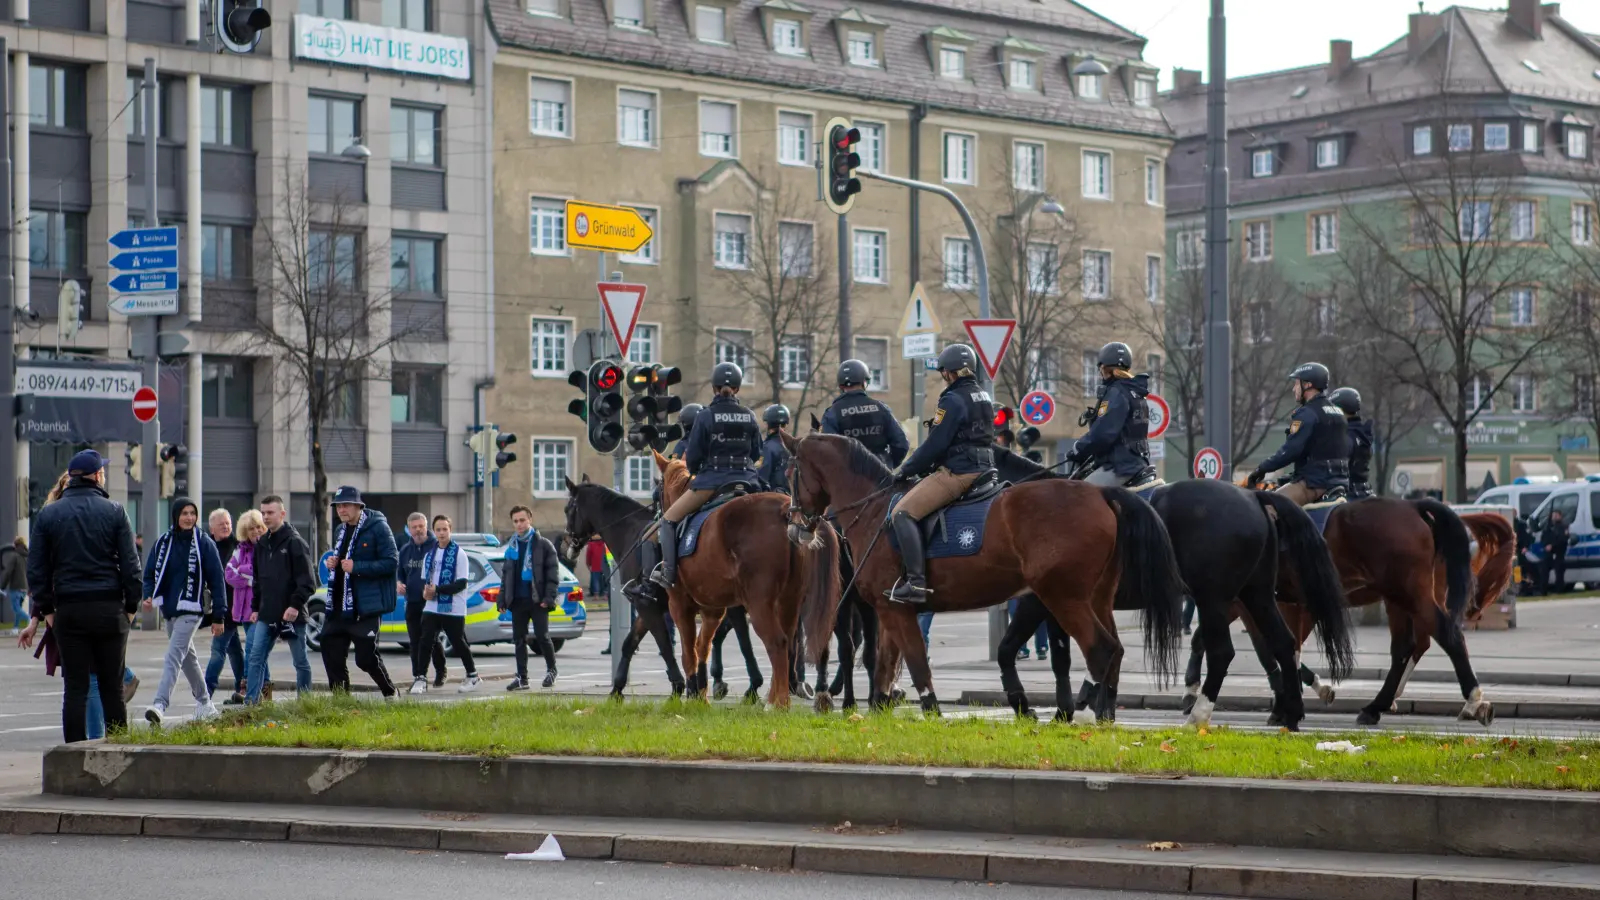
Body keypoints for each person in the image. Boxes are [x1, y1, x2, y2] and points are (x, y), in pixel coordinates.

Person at [24, 453, 142, 742]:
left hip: (69, 609)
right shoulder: (115, 511)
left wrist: (48, 610)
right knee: (112, 687)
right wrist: (130, 607)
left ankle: (73, 757)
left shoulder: (49, 514)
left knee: (75, 689)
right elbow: (131, 566)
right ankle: (117, 754)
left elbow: (36, 569)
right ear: (97, 475)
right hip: (108, 607)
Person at [887, 344, 996, 603]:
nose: (943, 377)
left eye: (944, 372)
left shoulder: (952, 399)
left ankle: (916, 583)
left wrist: (906, 470)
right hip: (985, 467)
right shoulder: (983, 395)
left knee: (901, 513)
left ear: (951, 373)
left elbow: (936, 443)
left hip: (959, 472)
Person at [648, 362, 762, 590]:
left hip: (712, 483)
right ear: (737, 388)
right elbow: (757, 452)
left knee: (668, 521)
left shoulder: (706, 416)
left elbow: (693, 459)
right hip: (748, 483)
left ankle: (668, 574)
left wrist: (701, 470)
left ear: (714, 388)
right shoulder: (749, 415)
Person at [139, 497, 227, 725]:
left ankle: (160, 704)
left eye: (192, 513)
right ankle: (205, 703)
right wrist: (148, 595)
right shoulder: (162, 543)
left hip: (192, 609)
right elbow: (149, 574)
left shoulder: (204, 543)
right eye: (184, 513)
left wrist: (219, 616)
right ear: (176, 516)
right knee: (188, 658)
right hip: (170, 611)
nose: (189, 518)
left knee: (173, 655)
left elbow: (218, 581)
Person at [324, 487, 400, 698]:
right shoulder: (340, 530)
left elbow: (392, 562)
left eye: (346, 505)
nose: (341, 509)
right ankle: (341, 701)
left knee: (365, 658)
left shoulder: (378, 527)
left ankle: (390, 692)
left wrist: (357, 567)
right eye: (338, 505)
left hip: (364, 606)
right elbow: (342, 561)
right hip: (338, 605)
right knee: (331, 651)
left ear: (359, 506)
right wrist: (334, 562)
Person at [244, 495, 316, 704]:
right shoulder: (262, 544)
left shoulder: (295, 543)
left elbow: (308, 582)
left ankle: (305, 704)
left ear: (282, 514)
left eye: (270, 513)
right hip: (267, 613)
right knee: (256, 658)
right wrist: (255, 607)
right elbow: (258, 580)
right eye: (263, 513)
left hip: (292, 615)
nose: (265, 517)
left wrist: (294, 606)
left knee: (300, 661)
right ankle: (251, 704)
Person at [1249, 362, 1350, 506]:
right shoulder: (1338, 412)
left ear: (1307, 385)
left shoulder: (1307, 413)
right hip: (1340, 480)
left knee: (1270, 505)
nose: (1293, 389)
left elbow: (1290, 451)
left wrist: (1262, 469)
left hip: (1315, 483)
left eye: (1297, 384)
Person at [1065, 342, 1158, 488]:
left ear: (1104, 368)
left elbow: (1103, 433)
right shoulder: (1135, 392)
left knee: (1076, 492)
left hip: (1120, 466)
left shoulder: (1116, 393)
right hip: (1138, 462)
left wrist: (1078, 448)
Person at [409, 514, 479, 694]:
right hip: (432, 606)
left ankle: (473, 675)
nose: (441, 533)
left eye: (445, 529)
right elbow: (426, 581)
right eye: (438, 530)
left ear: (450, 530)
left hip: (453, 607)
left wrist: (438, 589)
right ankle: (421, 677)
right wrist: (426, 592)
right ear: (434, 531)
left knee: (458, 641)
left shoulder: (459, 554)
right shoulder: (430, 555)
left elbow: (461, 584)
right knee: (425, 640)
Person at [502, 505, 561, 690]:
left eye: (522, 520)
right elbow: (506, 576)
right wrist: (502, 599)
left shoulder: (543, 545)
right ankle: (522, 678)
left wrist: (549, 597)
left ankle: (552, 670)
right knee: (519, 640)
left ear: (530, 520)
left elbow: (553, 575)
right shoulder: (510, 547)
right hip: (518, 601)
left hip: (537, 600)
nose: (519, 524)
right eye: (516, 521)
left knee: (542, 637)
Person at [217, 510, 270, 704]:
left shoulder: (267, 547)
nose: (256, 531)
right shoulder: (241, 550)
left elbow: (265, 574)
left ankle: (248, 688)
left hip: (262, 608)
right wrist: (250, 579)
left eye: (258, 527)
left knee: (253, 649)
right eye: (251, 529)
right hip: (244, 609)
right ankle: (265, 691)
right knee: (257, 650)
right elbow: (229, 574)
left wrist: (245, 572)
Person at [820, 359, 909, 467]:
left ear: (841, 386)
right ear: (864, 382)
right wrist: (889, 465)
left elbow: (827, 451)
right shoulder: (881, 408)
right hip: (881, 476)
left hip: (848, 479)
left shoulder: (832, 413)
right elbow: (901, 444)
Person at [397, 512, 448, 687]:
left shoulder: (437, 547)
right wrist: (399, 584)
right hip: (412, 602)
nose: (418, 530)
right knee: (415, 641)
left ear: (426, 527)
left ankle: (440, 672)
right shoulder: (405, 551)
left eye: (421, 526)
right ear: (409, 529)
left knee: (431, 639)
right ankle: (418, 676)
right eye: (414, 527)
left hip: (432, 602)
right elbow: (400, 575)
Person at [202, 509, 247, 702]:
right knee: (234, 650)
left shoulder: (237, 547)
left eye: (228, 523)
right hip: (222, 608)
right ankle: (241, 689)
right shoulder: (209, 548)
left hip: (230, 607)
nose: (227, 527)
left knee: (218, 650)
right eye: (222, 525)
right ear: (212, 529)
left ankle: (205, 694)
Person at [1329, 387, 1373, 500]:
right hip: (1365, 492)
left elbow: (1337, 467)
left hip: (1348, 494)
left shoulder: (1345, 436)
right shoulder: (1362, 433)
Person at [758, 404, 793, 494]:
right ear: (785, 425)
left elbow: (761, 477)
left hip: (774, 497)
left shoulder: (767, 447)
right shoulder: (793, 447)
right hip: (792, 497)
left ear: (767, 425)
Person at [1539, 509, 1573, 595]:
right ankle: (1543, 591)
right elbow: (1543, 538)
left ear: (1560, 516)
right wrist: (1546, 545)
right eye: (1553, 515)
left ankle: (1559, 591)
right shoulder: (1547, 526)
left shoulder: (1564, 526)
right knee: (1544, 571)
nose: (1554, 517)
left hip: (1559, 553)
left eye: (1556, 515)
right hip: (1548, 553)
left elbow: (1563, 539)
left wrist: (1552, 546)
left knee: (1559, 572)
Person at [1, 537, 27, 636]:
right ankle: (15, 628)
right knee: (18, 609)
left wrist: (2, 586)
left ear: (15, 545)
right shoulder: (26, 556)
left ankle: (29, 620)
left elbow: (8, 572)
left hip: (16, 587)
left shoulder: (14, 557)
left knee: (16, 608)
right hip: (25, 587)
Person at [584, 538, 610, 608]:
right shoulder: (605, 544)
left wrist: (588, 564)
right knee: (605, 581)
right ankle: (605, 595)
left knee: (596, 581)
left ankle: (596, 595)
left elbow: (588, 556)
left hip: (595, 566)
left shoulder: (591, 545)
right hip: (605, 566)